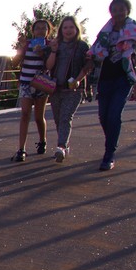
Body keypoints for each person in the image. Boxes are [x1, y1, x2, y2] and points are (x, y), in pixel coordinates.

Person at [89, 0, 136, 170]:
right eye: (114, 10)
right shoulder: (104, 32)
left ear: (128, 11)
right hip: (104, 77)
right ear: (110, 12)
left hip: (123, 78)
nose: (118, 13)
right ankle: (111, 141)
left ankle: (109, 154)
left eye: (121, 9)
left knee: (114, 115)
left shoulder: (135, 30)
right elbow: (93, 52)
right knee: (103, 117)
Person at [45, 16, 93, 162]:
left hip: (74, 89)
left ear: (76, 29)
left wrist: (78, 79)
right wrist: (53, 51)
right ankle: (64, 145)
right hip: (56, 88)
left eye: (71, 27)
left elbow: (88, 66)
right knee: (58, 119)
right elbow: (48, 66)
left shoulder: (82, 46)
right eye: (65, 27)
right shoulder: (55, 44)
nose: (68, 30)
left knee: (66, 117)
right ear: (61, 30)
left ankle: (61, 146)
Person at [9, 19, 53, 162]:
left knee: (39, 116)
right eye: (37, 28)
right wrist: (22, 49)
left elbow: (50, 65)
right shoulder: (27, 44)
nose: (40, 31)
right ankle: (21, 149)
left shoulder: (50, 45)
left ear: (48, 31)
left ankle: (42, 141)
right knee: (25, 114)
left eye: (43, 28)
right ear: (33, 31)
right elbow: (14, 63)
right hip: (26, 83)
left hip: (41, 84)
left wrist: (43, 53)